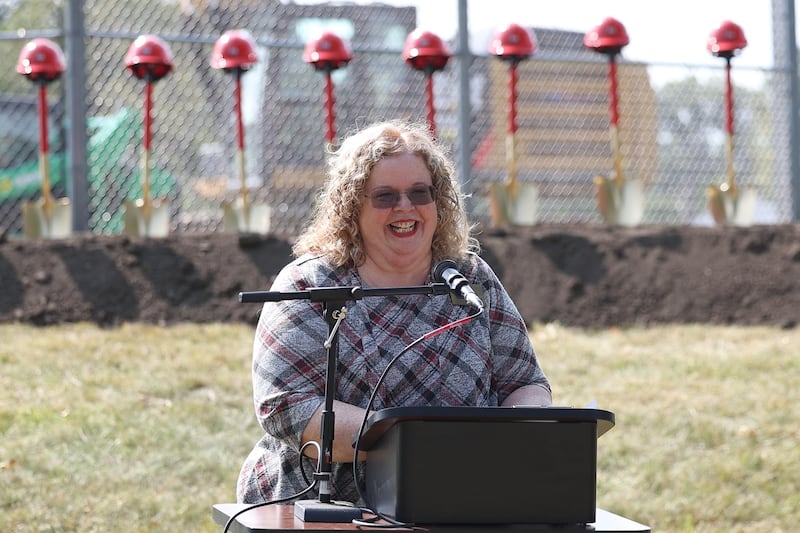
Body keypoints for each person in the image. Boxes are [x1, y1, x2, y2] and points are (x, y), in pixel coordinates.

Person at [237, 120, 551, 505]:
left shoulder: (470, 279)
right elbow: (286, 407)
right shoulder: (308, 284)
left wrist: (516, 435)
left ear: (439, 202)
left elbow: (525, 382)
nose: (405, 207)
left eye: (420, 192)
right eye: (385, 196)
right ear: (352, 207)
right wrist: (420, 446)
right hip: (322, 505)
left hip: (458, 497)